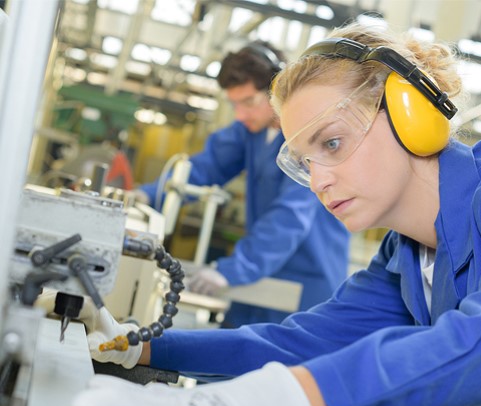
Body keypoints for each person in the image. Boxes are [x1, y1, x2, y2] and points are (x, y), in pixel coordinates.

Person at [69, 21, 481, 406]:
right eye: (306, 163)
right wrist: (140, 348)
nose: (320, 181)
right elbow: (296, 345)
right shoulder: (402, 259)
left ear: (413, 112)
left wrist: (271, 404)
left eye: (332, 143)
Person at [136, 41, 350, 326]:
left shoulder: (309, 140)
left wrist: (234, 270)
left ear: (278, 90)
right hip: (257, 272)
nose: (240, 114)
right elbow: (206, 166)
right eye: (234, 104)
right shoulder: (250, 133)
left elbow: (289, 218)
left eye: (248, 102)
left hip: (304, 283)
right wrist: (146, 196)